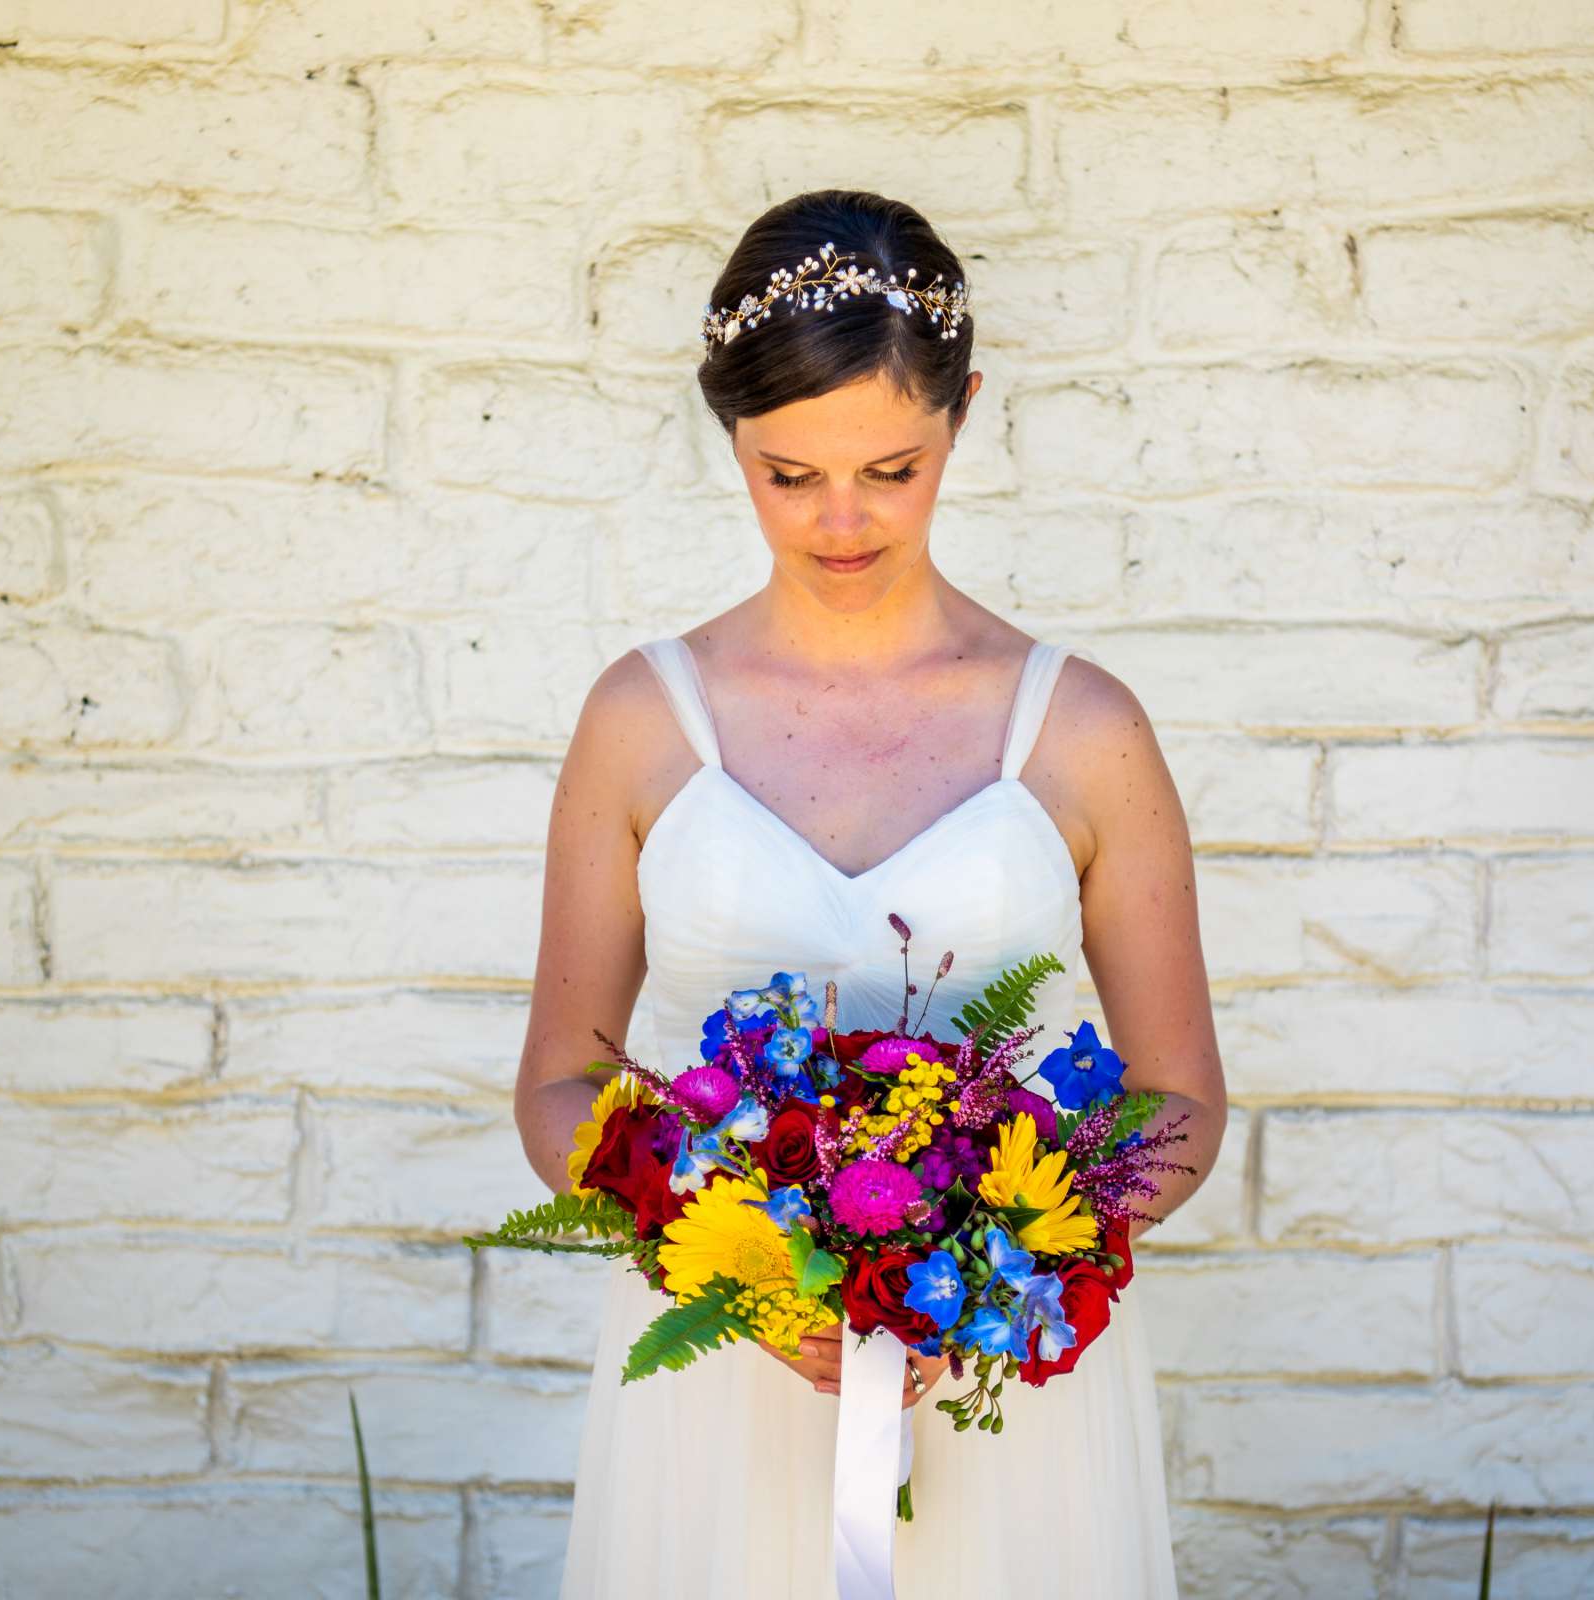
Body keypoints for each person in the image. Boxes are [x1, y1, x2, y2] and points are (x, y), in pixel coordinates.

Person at [512, 187, 1227, 1598]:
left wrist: (1012, 1258)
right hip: (718, 1366)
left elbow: (1182, 1099)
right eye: (790, 476)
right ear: (730, 438)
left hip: (1002, 1378)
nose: (840, 521)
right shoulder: (641, 721)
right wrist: (734, 1268)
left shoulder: (1083, 730)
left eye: (891, 470)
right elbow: (555, 1087)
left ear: (964, 411)